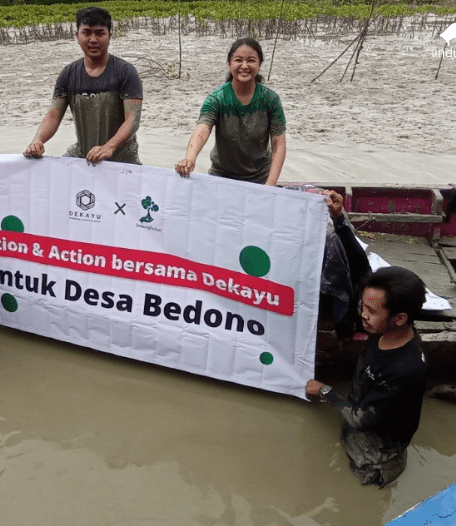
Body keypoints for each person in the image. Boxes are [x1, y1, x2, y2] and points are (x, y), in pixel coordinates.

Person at [306, 196, 428, 488]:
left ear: (399, 318)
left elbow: (360, 420)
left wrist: (323, 390)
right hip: (365, 410)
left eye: (371, 311)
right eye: (363, 306)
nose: (363, 315)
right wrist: (339, 219)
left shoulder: (405, 369)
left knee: (347, 484)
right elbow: (361, 269)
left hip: (375, 454)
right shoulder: (387, 328)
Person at [24, 6, 143, 164]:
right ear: (77, 36)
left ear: (109, 36)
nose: (93, 40)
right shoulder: (68, 74)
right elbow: (53, 115)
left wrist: (109, 147)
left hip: (122, 156)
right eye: (87, 32)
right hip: (83, 152)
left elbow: (132, 120)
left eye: (100, 33)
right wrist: (38, 141)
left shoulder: (125, 72)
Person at [175, 37, 286, 185]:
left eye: (251, 60)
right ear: (229, 64)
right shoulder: (217, 98)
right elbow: (202, 129)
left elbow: (279, 144)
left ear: (259, 65)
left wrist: (270, 185)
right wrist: (190, 158)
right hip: (221, 176)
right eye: (238, 60)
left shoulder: (270, 99)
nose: (244, 66)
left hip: (260, 177)